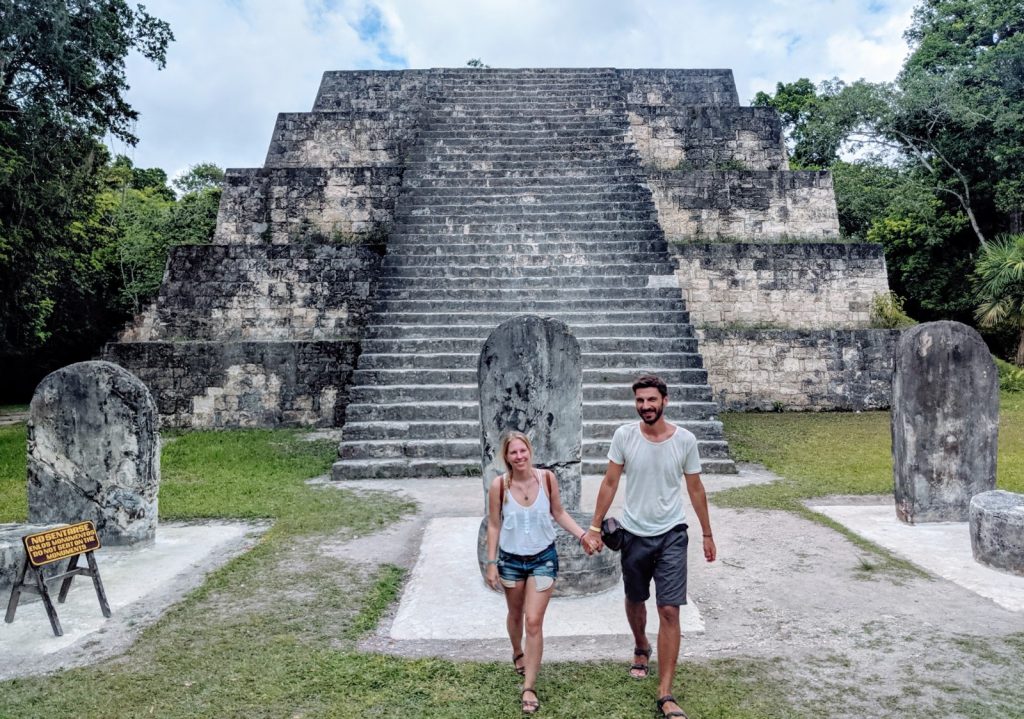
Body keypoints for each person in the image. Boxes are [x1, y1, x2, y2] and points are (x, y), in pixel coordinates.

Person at [584, 374, 717, 719]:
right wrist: (595, 526)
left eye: (651, 400)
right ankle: (641, 645)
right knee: (635, 599)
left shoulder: (685, 440)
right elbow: (610, 482)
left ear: (665, 401)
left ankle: (665, 694)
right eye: (640, 401)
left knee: (670, 610)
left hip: (673, 533)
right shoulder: (624, 436)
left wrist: (706, 533)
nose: (645, 406)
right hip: (633, 534)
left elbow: (696, 489)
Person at [484, 431, 598, 714]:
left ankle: (529, 688)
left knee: (533, 621)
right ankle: (517, 652)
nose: (519, 456)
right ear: (506, 457)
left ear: (530, 451)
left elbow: (559, 512)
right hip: (510, 560)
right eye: (513, 453)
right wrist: (491, 563)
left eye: (523, 451)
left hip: (543, 559)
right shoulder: (499, 486)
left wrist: (582, 535)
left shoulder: (546, 479)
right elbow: (494, 525)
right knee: (515, 614)